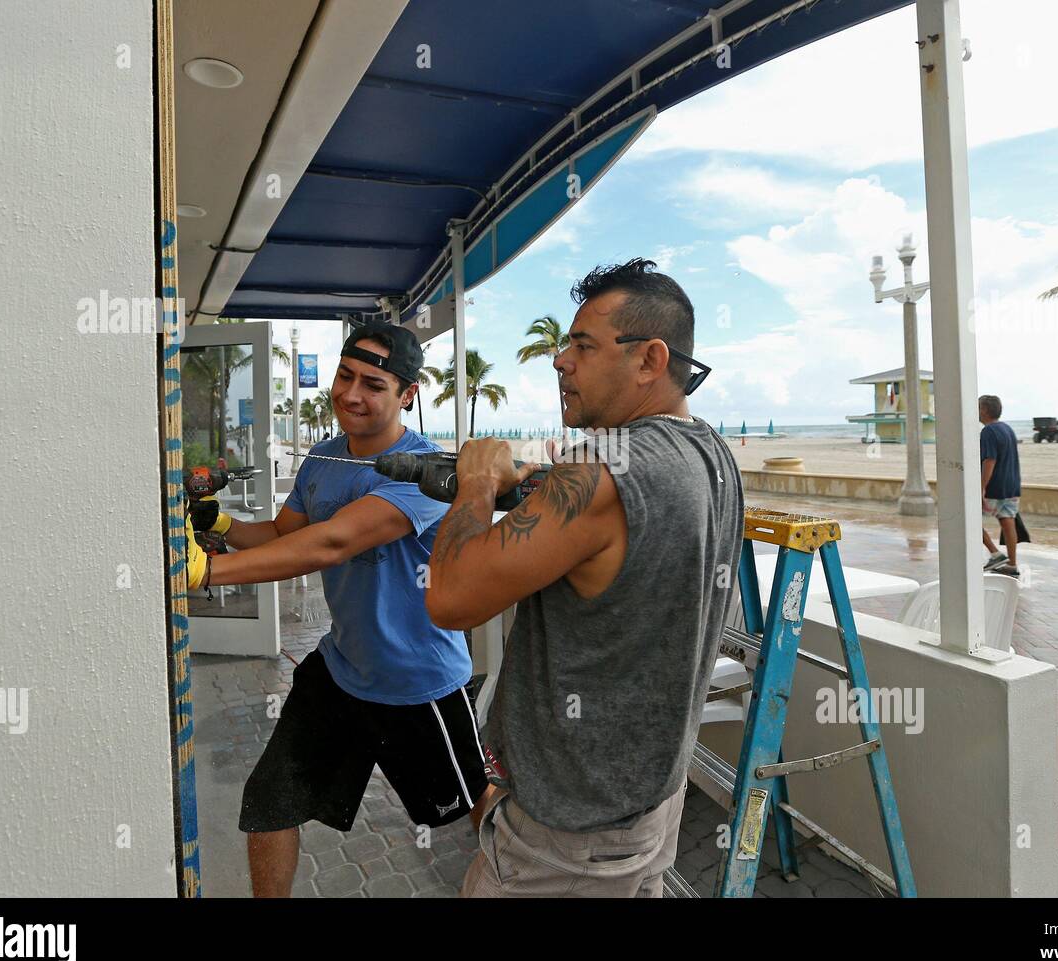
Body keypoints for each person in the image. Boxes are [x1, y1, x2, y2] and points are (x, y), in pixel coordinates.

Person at [425, 258, 744, 897]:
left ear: (651, 359)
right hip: (651, 796)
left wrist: (481, 481)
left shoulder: (595, 469)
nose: (560, 361)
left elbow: (450, 597)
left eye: (583, 345)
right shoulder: (712, 453)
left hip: (570, 835)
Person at [183, 323, 486, 897]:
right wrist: (220, 527)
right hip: (341, 670)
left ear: (407, 395)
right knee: (270, 803)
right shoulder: (323, 460)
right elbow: (282, 534)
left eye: (373, 384)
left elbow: (332, 543)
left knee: (475, 809)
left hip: (416, 681)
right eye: (345, 376)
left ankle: (524, 882)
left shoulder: (430, 473)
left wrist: (203, 572)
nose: (351, 394)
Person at [979, 394, 1021, 577]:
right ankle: (1012, 564)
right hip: (1011, 485)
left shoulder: (988, 431)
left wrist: (981, 487)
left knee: (967, 520)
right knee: (1008, 522)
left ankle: (995, 554)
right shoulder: (1008, 429)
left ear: (984, 410)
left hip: (994, 487)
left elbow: (990, 461)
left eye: (978, 407)